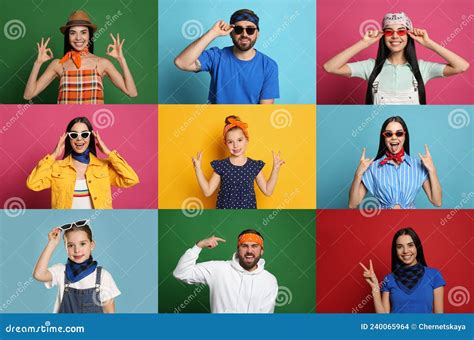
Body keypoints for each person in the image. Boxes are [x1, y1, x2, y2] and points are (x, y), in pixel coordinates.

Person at [323, 12, 469, 104]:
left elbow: (461, 66)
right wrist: (364, 43)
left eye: (401, 31)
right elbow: (330, 67)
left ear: (408, 35)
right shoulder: (370, 67)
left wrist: (428, 43)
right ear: (383, 36)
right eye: (389, 32)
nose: (394, 36)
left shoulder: (423, 68)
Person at [24, 10, 137, 104]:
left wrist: (121, 60)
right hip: (65, 121)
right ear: (68, 36)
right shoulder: (58, 64)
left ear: (89, 35)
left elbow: (132, 92)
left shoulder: (102, 63)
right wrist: (37, 63)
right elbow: (28, 95)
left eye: (83, 32)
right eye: (73, 33)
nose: (78, 38)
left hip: (92, 123)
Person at [26, 116, 139, 209]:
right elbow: (32, 184)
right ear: (68, 139)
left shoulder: (104, 166)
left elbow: (131, 179)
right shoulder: (56, 167)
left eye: (84, 134)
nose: (79, 139)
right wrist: (53, 156)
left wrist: (109, 153)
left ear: (90, 137)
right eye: (74, 135)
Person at [174, 9, 279, 104]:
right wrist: (213, 33)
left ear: (257, 33)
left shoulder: (268, 66)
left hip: (249, 124)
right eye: (238, 29)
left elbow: (264, 111)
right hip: (216, 122)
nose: (244, 34)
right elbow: (181, 62)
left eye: (250, 30)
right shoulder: (216, 56)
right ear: (231, 33)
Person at [173, 230, 278, 313]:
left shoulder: (269, 280)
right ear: (238, 249)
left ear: (262, 251)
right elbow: (181, 273)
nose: (249, 251)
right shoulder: (218, 269)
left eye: (254, 246)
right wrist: (199, 245)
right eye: (244, 246)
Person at [192, 115, 284, 209]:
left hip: (247, 217)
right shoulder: (221, 166)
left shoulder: (254, 166)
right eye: (230, 142)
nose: (235, 145)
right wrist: (198, 169)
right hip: (225, 216)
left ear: (247, 140)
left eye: (239, 140)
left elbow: (268, 191)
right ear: (226, 143)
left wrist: (275, 169)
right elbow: (207, 192)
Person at [349, 116, 442, 209]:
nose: (394, 137)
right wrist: (358, 173)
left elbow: (437, 201)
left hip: (410, 221)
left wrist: (432, 170)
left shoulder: (417, 166)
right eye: (389, 134)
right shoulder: (372, 167)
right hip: (382, 221)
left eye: (399, 133)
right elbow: (352, 204)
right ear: (383, 137)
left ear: (405, 136)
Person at [33, 220, 120, 313]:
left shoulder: (103, 276)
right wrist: (52, 243)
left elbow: (110, 314)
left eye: (82, 244)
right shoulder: (61, 271)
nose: (77, 250)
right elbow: (38, 274)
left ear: (92, 245)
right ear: (65, 247)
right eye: (70, 245)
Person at [360, 227, 445, 313]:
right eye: (400, 247)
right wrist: (375, 288)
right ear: (395, 251)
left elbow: (439, 319)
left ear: (417, 247)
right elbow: (384, 322)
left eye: (410, 245)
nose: (405, 251)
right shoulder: (388, 279)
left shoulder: (434, 275)